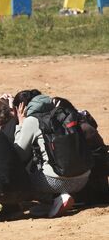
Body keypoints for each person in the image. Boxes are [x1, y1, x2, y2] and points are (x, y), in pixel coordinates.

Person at [13, 90, 91, 218]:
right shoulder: (64, 112)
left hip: (56, 182)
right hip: (83, 179)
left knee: (21, 176)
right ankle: (58, 200)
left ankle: (52, 200)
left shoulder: (31, 120)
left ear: (21, 108)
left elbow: (18, 154)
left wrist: (20, 124)